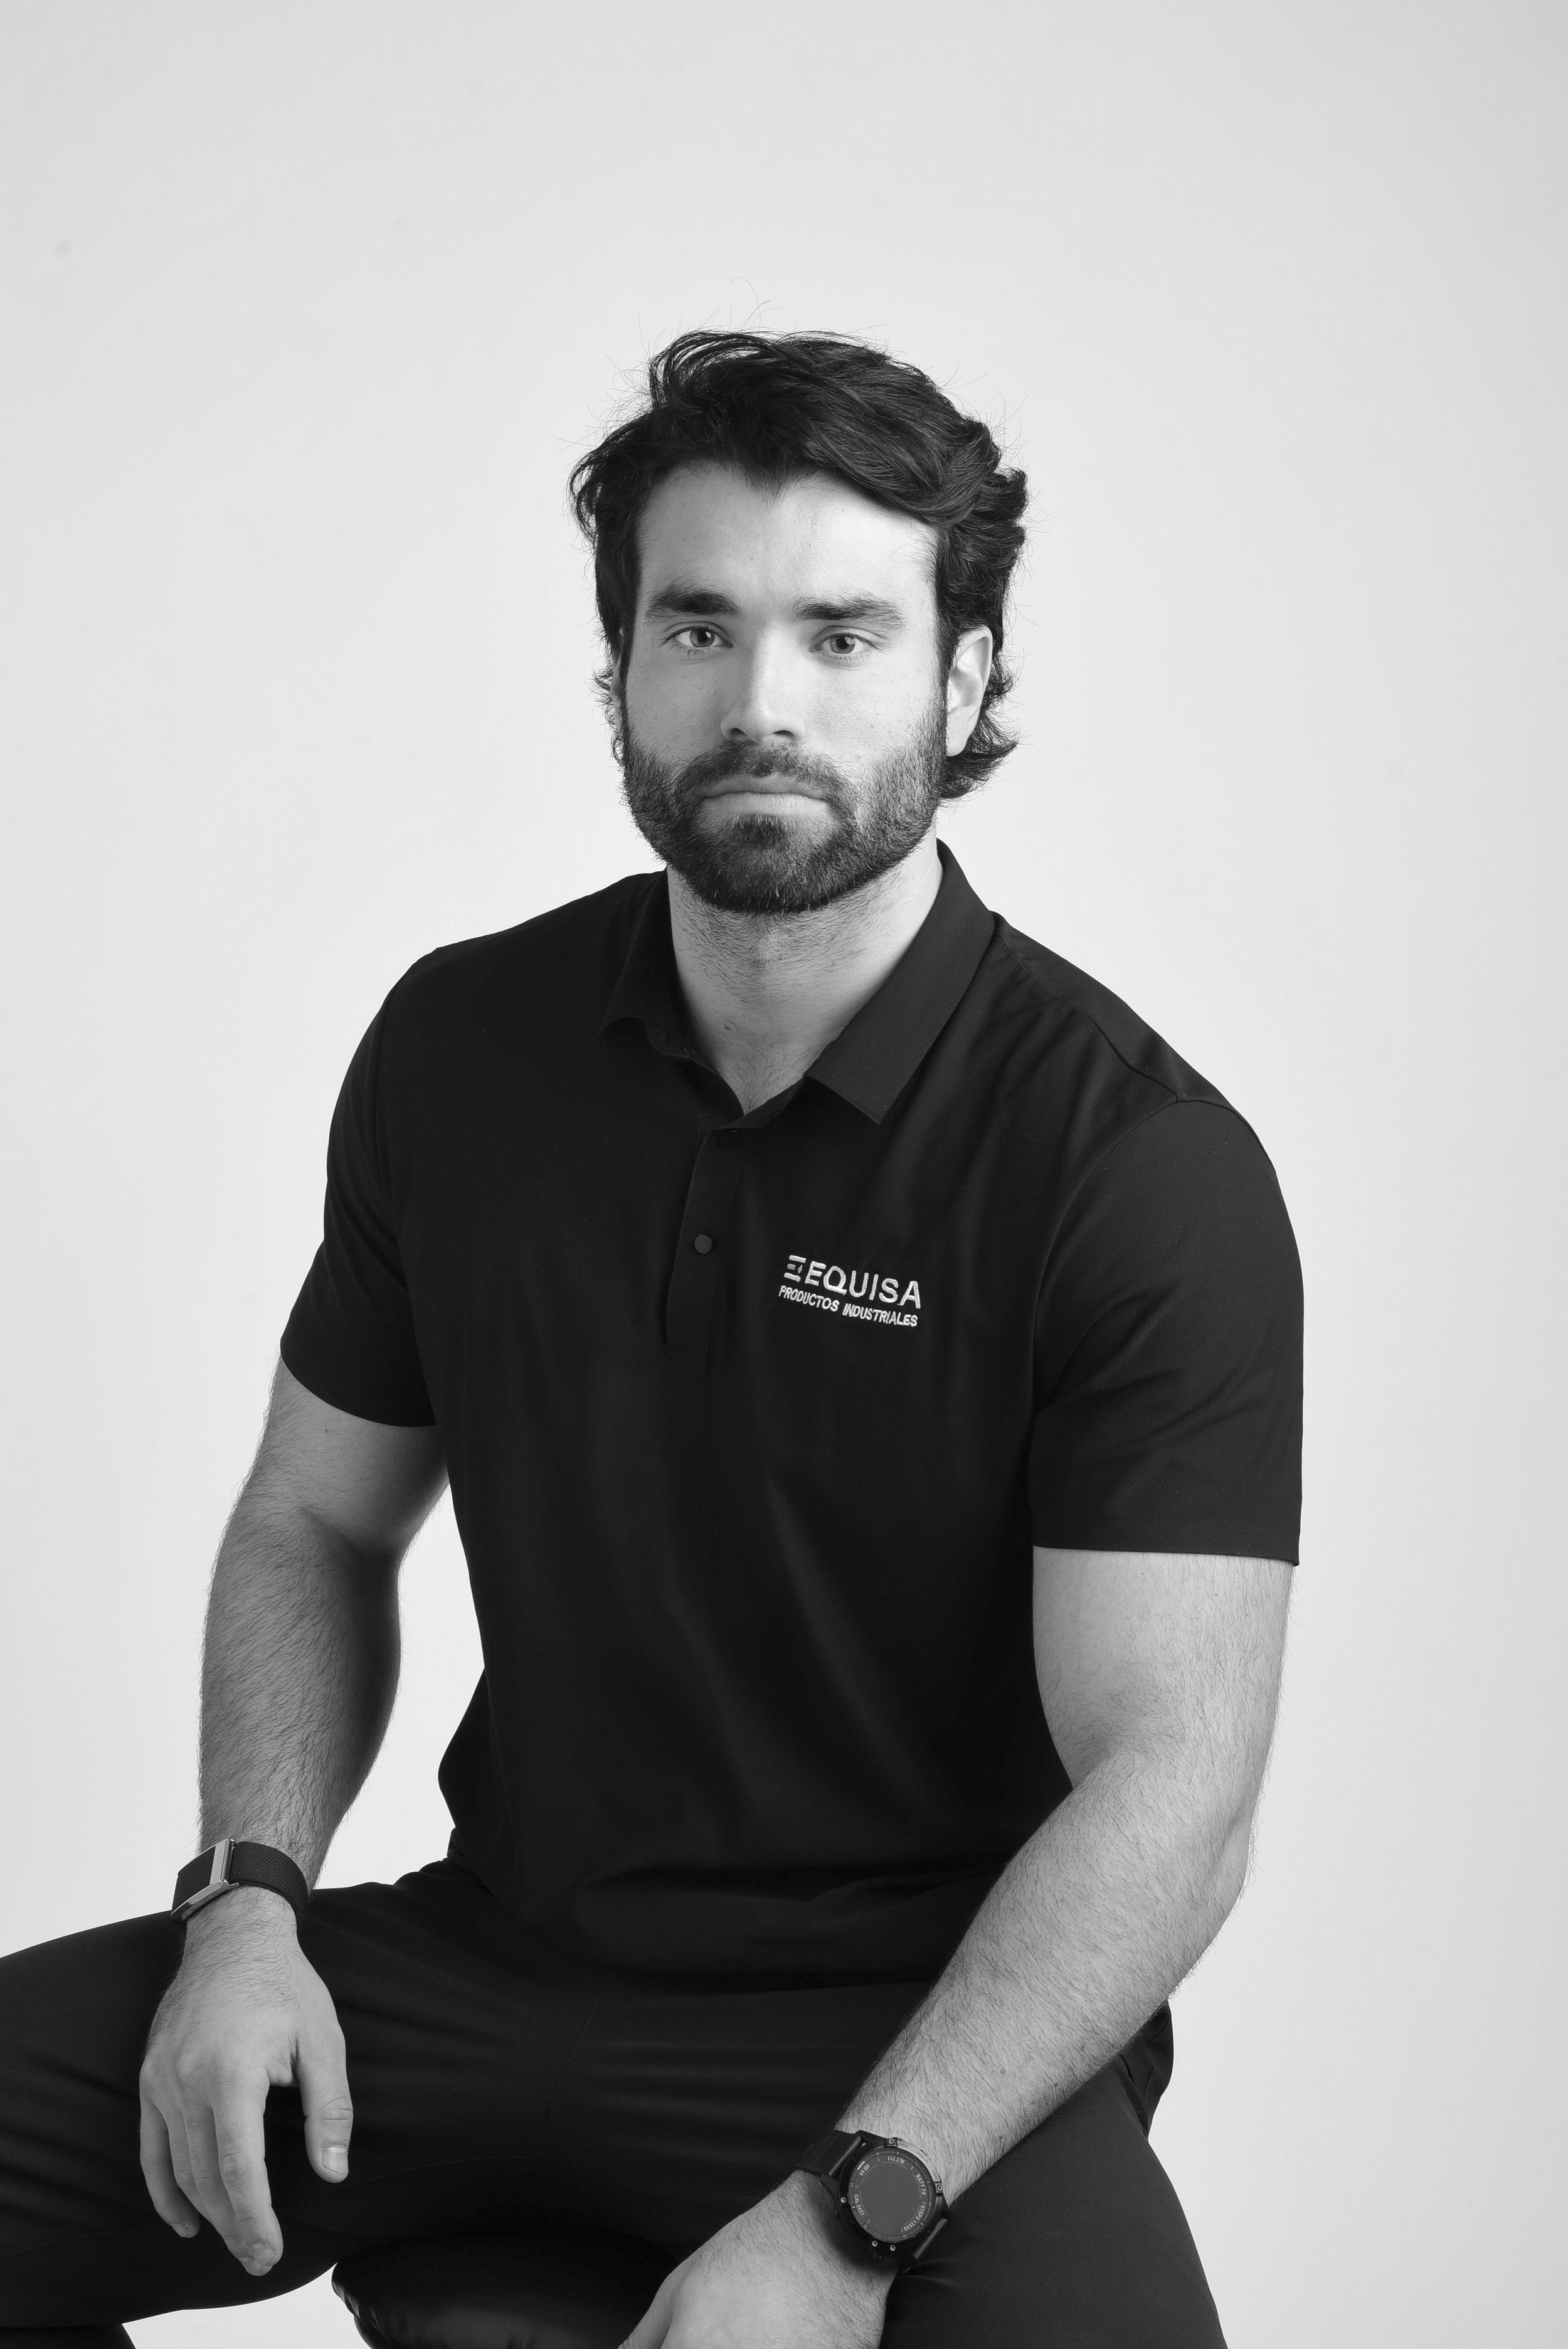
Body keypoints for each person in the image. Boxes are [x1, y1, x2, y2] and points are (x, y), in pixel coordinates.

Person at [0, 331, 1301, 2349]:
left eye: (844, 635)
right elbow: (313, 1523)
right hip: (491, 1965)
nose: (761, 700)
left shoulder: (1129, 1167)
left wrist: (854, 2214)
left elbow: (1172, 1792)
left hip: (910, 2041)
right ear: (623, 671)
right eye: (697, 625)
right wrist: (244, 1900)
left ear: (962, 680)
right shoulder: (463, 1048)